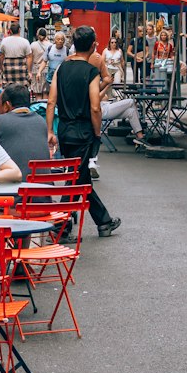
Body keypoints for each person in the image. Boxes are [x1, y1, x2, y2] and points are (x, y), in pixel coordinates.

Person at [47, 24, 121, 236]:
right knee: (76, 179)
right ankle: (61, 224)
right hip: (83, 131)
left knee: (80, 176)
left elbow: (51, 102)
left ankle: (103, 220)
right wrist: (97, 133)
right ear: (92, 45)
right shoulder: (90, 71)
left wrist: (50, 131)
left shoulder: (61, 69)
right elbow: (95, 106)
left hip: (64, 129)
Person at [0, 83, 50, 174]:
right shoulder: (41, 121)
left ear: (6, 105)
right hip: (45, 185)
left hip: (15, 184)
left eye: (0, 105)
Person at [0, 20, 32, 88]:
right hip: (21, 67)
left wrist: (1, 68)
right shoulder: (25, 41)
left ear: (10, 31)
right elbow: (29, 57)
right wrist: (29, 71)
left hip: (8, 67)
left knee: (8, 88)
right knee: (22, 88)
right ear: (19, 30)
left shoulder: (4, 41)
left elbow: (1, 56)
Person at [30, 27, 49, 97]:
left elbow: (30, 59)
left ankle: (38, 106)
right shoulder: (50, 45)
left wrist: (29, 71)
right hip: (47, 69)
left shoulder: (33, 45)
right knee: (46, 91)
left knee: (37, 92)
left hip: (36, 69)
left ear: (37, 35)